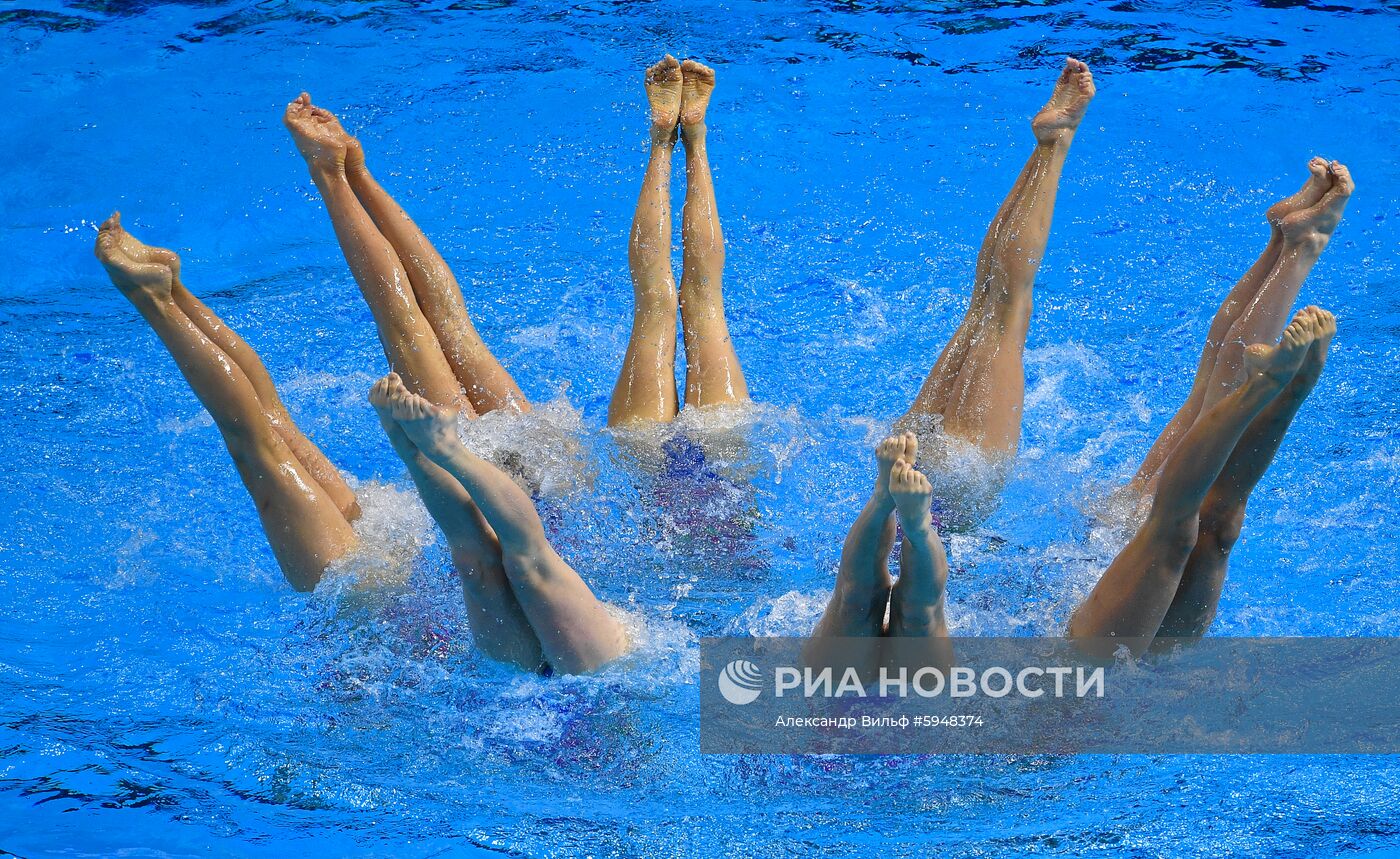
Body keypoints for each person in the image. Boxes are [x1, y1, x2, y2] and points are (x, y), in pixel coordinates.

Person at [94, 213, 359, 592]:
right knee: (257, 450)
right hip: (364, 592)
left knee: (274, 421)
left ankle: (175, 291)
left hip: (385, 538)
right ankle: (154, 299)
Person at [892, 58, 1096, 531]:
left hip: (954, 480)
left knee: (1002, 312)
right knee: (983, 306)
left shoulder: (910, 597)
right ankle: (1051, 146)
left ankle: (1053, 149)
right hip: (901, 459)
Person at [1070, 306, 1335, 657]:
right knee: (1220, 529)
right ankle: (1293, 388)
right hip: (1159, 677)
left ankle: (1263, 385)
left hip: (1080, 668)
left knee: (1172, 533)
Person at [282, 93, 527, 418]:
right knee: (405, 324)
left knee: (454, 325)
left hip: (550, 446)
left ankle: (356, 170)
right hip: (482, 458)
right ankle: (331, 173)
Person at [369, 373, 628, 674]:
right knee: (528, 563)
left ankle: (409, 448)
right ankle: (448, 449)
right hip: (611, 670)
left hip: (523, 683)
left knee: (475, 566)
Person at [608, 55, 750, 426]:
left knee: (662, 302)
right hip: (707, 458)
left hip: (658, 454)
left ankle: (666, 138)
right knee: (698, 300)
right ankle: (691, 134)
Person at [807, 432, 954, 677]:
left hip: (833, 691)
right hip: (918, 698)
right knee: (914, 617)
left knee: (860, 604)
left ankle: (893, 506)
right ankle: (913, 524)